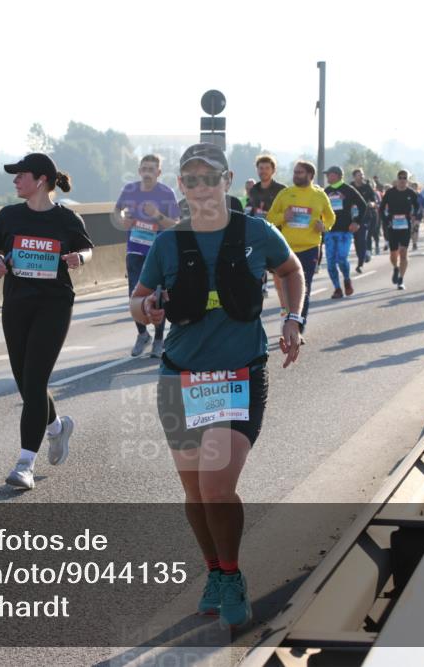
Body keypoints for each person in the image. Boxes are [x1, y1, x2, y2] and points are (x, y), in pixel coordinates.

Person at [129, 143, 303, 630]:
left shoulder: (256, 232)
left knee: (216, 485)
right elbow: (138, 299)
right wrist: (146, 310)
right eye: (192, 180)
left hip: (237, 374)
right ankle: (214, 572)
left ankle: (232, 575)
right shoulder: (169, 244)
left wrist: (293, 318)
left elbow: (290, 270)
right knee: (194, 492)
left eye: (211, 178)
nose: (202, 187)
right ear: (181, 187)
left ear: (228, 181)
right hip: (180, 376)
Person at [0, 153, 93, 490]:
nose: (16, 181)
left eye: (21, 175)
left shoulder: (67, 219)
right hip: (16, 304)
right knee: (25, 382)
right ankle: (57, 428)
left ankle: (24, 464)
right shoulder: (8, 216)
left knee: (34, 382)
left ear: (42, 180)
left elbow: (88, 249)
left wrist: (79, 258)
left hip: (54, 304)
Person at [112, 155, 180, 358]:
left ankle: (159, 339)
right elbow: (117, 211)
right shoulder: (130, 190)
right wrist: (122, 220)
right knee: (134, 293)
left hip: (157, 253)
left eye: (152, 169)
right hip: (135, 250)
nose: (148, 172)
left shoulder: (166, 193)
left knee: (157, 294)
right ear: (139, 171)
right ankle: (142, 334)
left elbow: (176, 224)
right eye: (144, 168)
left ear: (159, 172)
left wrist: (157, 215)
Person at [267, 160, 334, 328]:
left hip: (310, 248)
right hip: (287, 248)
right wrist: (284, 217)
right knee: (286, 287)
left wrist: (324, 226)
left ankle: (297, 325)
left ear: (310, 175)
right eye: (295, 172)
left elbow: (331, 217)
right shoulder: (285, 194)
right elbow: (270, 218)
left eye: (300, 172)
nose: (295, 175)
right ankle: (290, 319)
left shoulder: (319, 195)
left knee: (305, 287)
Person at [322, 166, 367, 297]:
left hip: (345, 231)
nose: (327, 177)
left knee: (342, 259)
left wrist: (357, 221)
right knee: (330, 262)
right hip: (330, 231)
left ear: (336, 175)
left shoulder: (348, 190)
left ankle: (347, 279)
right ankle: (337, 288)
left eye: (329, 174)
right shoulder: (326, 191)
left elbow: (363, 205)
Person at [247, 156, 286, 300]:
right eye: (260, 168)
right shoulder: (253, 190)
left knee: (279, 278)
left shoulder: (282, 190)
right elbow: (251, 210)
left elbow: (287, 214)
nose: (263, 171)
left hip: (277, 235)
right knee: (255, 272)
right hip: (257, 235)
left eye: (267, 168)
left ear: (273, 170)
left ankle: (285, 309)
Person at [378, 170, 421, 290]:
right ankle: (396, 268)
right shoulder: (390, 193)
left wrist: (414, 216)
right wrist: (386, 220)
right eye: (400, 177)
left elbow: (417, 206)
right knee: (393, 254)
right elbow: (381, 209)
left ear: (407, 180)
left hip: (405, 226)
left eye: (404, 178)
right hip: (393, 226)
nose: (402, 180)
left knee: (403, 253)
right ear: (397, 179)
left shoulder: (411, 193)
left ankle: (401, 280)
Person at [351, 168, 378, 270]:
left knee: (363, 238)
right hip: (353, 217)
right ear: (354, 177)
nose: (361, 176)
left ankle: (360, 263)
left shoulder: (367, 187)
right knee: (357, 240)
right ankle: (360, 257)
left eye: (362, 174)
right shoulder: (350, 187)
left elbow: (374, 200)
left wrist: (372, 203)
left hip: (366, 216)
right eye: (359, 175)